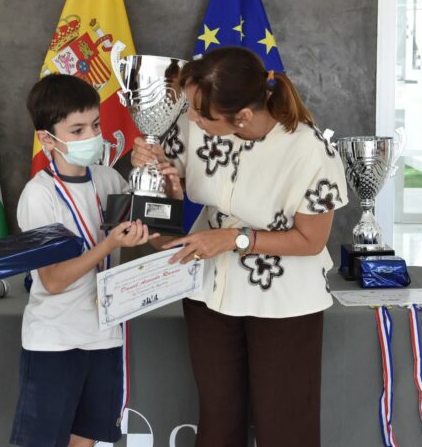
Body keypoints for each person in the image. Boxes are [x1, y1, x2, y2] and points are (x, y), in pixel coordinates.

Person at [133, 46, 347, 447]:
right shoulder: (192, 123)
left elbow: (311, 240)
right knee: (218, 423)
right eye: (191, 108)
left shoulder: (311, 150)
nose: (192, 118)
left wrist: (235, 239)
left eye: (201, 113)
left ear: (243, 116)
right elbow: (163, 212)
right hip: (208, 293)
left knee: (285, 428)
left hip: (285, 302)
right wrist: (152, 170)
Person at [12, 74, 155, 447]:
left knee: (87, 440)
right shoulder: (39, 195)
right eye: (76, 130)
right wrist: (106, 246)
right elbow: (54, 281)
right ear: (47, 139)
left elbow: (151, 226)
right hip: (55, 340)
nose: (91, 137)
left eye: (94, 125)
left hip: (103, 334)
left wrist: (157, 177)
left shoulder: (108, 179)